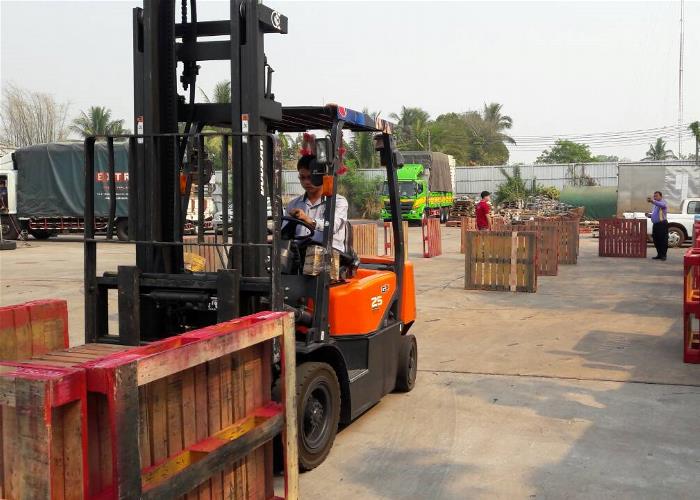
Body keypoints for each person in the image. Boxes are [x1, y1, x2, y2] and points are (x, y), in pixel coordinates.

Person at [285, 155, 348, 252]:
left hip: (329, 254)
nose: (306, 182)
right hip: (299, 253)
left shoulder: (338, 202)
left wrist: (309, 220)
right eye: (302, 177)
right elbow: (284, 234)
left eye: (310, 177)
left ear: (321, 177)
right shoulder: (293, 205)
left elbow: (332, 226)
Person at [646, 190, 668, 261]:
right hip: (656, 224)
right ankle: (659, 254)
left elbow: (662, 205)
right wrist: (649, 215)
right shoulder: (655, 205)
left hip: (662, 224)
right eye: (654, 196)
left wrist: (652, 201)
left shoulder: (663, 202)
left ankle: (663, 255)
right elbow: (655, 215)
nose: (655, 197)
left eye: (656, 196)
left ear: (661, 196)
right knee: (656, 240)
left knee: (663, 240)